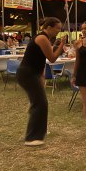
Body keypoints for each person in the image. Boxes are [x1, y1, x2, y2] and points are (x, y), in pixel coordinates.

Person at [16, 17, 66, 146]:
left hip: (31, 74)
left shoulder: (44, 38)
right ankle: (32, 138)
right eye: (58, 28)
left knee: (39, 103)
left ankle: (37, 133)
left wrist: (41, 77)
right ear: (49, 27)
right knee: (40, 104)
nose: (59, 31)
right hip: (27, 74)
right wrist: (61, 45)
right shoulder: (42, 38)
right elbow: (52, 58)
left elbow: (40, 61)